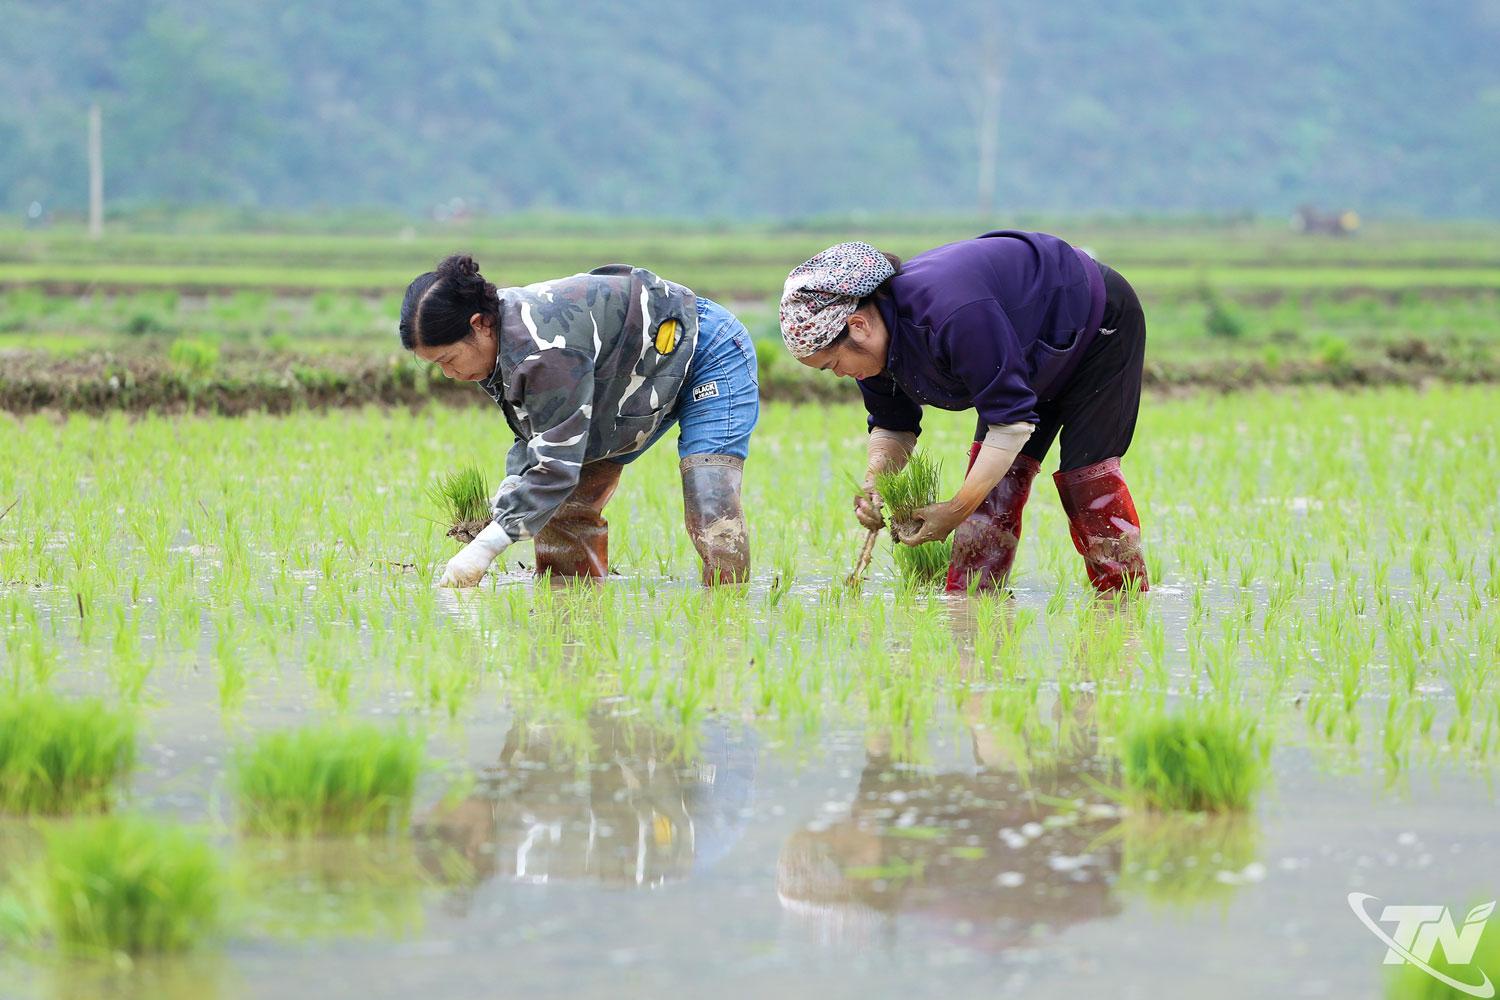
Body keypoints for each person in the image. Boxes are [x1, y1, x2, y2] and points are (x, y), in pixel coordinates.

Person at [778, 233, 1149, 593]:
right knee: (993, 491)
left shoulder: (952, 314)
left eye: (832, 364)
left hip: (1095, 325)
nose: (840, 374)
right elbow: (894, 426)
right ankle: (970, 607)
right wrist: (875, 483)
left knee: (1088, 482)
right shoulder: (871, 354)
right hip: (1023, 350)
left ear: (857, 326)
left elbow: (1011, 424)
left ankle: (1123, 604)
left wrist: (955, 509)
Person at [400, 254, 757, 587]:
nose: (448, 373)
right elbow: (538, 429)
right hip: (626, 379)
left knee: (712, 506)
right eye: (437, 365)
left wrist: (484, 549)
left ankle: (728, 622)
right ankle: (571, 625)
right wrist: (513, 482)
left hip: (700, 349)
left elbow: (555, 468)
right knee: (565, 508)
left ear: (480, 325)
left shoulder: (541, 350)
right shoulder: (494, 345)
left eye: (448, 359)